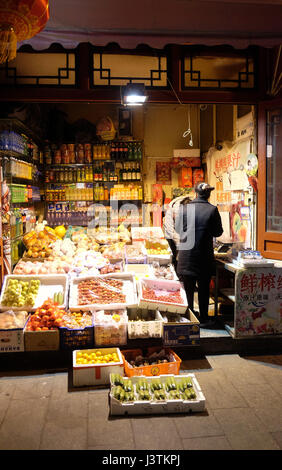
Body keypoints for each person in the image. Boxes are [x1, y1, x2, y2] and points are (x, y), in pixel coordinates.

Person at [175, 182, 223, 328]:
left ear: (195, 193)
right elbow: (218, 232)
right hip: (203, 257)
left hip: (186, 257)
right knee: (203, 290)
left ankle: (189, 317)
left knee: (188, 290)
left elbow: (178, 230)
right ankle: (203, 319)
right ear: (208, 194)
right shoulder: (212, 210)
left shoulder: (184, 209)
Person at [163, 194, 191, 269]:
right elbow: (170, 230)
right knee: (175, 257)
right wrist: (179, 244)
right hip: (171, 235)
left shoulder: (190, 208)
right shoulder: (171, 210)